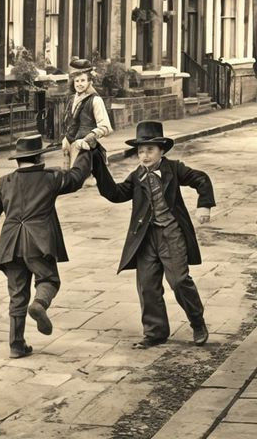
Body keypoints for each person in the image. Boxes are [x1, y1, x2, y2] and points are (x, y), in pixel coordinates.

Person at [91, 121, 214, 349]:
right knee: (147, 285)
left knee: (178, 281)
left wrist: (204, 204)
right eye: (140, 151)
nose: (145, 156)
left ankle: (197, 322)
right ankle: (155, 332)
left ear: (162, 151)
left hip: (171, 234)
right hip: (146, 238)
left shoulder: (174, 169)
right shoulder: (136, 176)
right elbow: (116, 194)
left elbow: (201, 179)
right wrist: (98, 166)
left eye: (150, 150)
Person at [0, 133, 92, 358]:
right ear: (38, 157)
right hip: (38, 242)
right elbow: (76, 178)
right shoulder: (49, 177)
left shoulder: (6, 181)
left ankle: (16, 344)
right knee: (49, 279)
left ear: (18, 159)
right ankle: (40, 304)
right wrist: (84, 152)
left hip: (10, 245)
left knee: (17, 294)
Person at [61, 57, 112, 169]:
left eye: (83, 80)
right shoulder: (71, 100)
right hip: (70, 148)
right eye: (77, 81)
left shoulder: (95, 100)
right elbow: (71, 123)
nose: (79, 84)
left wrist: (87, 139)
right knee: (70, 181)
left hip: (86, 149)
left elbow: (105, 127)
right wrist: (66, 138)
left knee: (85, 182)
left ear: (90, 82)